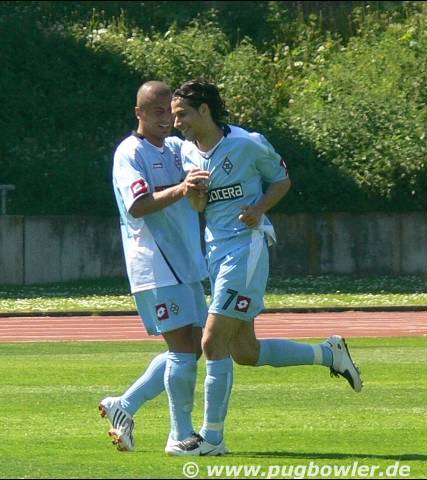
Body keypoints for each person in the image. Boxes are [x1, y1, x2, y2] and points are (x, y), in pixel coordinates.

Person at [166, 79, 363, 457]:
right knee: (245, 351)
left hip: (247, 249)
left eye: (182, 114)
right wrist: (195, 194)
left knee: (211, 341)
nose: (177, 123)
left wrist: (259, 209)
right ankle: (329, 354)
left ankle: (212, 438)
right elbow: (199, 208)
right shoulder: (188, 153)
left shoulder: (248, 143)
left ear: (204, 110)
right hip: (216, 251)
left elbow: (281, 180)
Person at [100, 80, 210, 453]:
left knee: (195, 348)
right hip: (156, 264)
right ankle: (180, 435)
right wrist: (182, 188)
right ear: (140, 113)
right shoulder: (129, 152)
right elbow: (138, 205)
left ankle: (124, 405)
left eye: (171, 112)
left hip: (186, 262)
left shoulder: (179, 148)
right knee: (181, 350)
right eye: (158, 112)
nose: (166, 119)